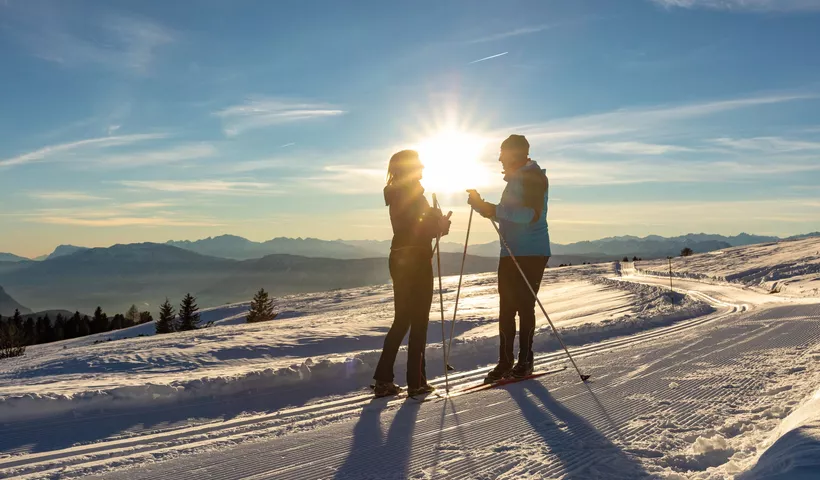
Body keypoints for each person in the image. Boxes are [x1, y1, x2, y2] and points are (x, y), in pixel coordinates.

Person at [467, 134, 550, 383]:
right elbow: (510, 215)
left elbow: (530, 215)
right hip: (511, 251)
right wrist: (484, 207)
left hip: (531, 252)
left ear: (515, 154)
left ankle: (524, 361)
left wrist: (494, 209)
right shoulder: (516, 179)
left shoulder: (534, 177)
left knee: (524, 307)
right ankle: (506, 362)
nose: (499, 158)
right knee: (506, 309)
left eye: (503, 153)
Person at [373, 149, 452, 398]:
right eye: (418, 164)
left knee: (402, 320)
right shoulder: (413, 193)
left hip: (399, 257)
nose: (423, 167)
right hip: (417, 258)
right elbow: (420, 228)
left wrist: (434, 224)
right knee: (419, 321)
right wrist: (440, 225)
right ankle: (416, 382)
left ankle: (384, 380)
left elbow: (409, 226)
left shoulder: (396, 191)